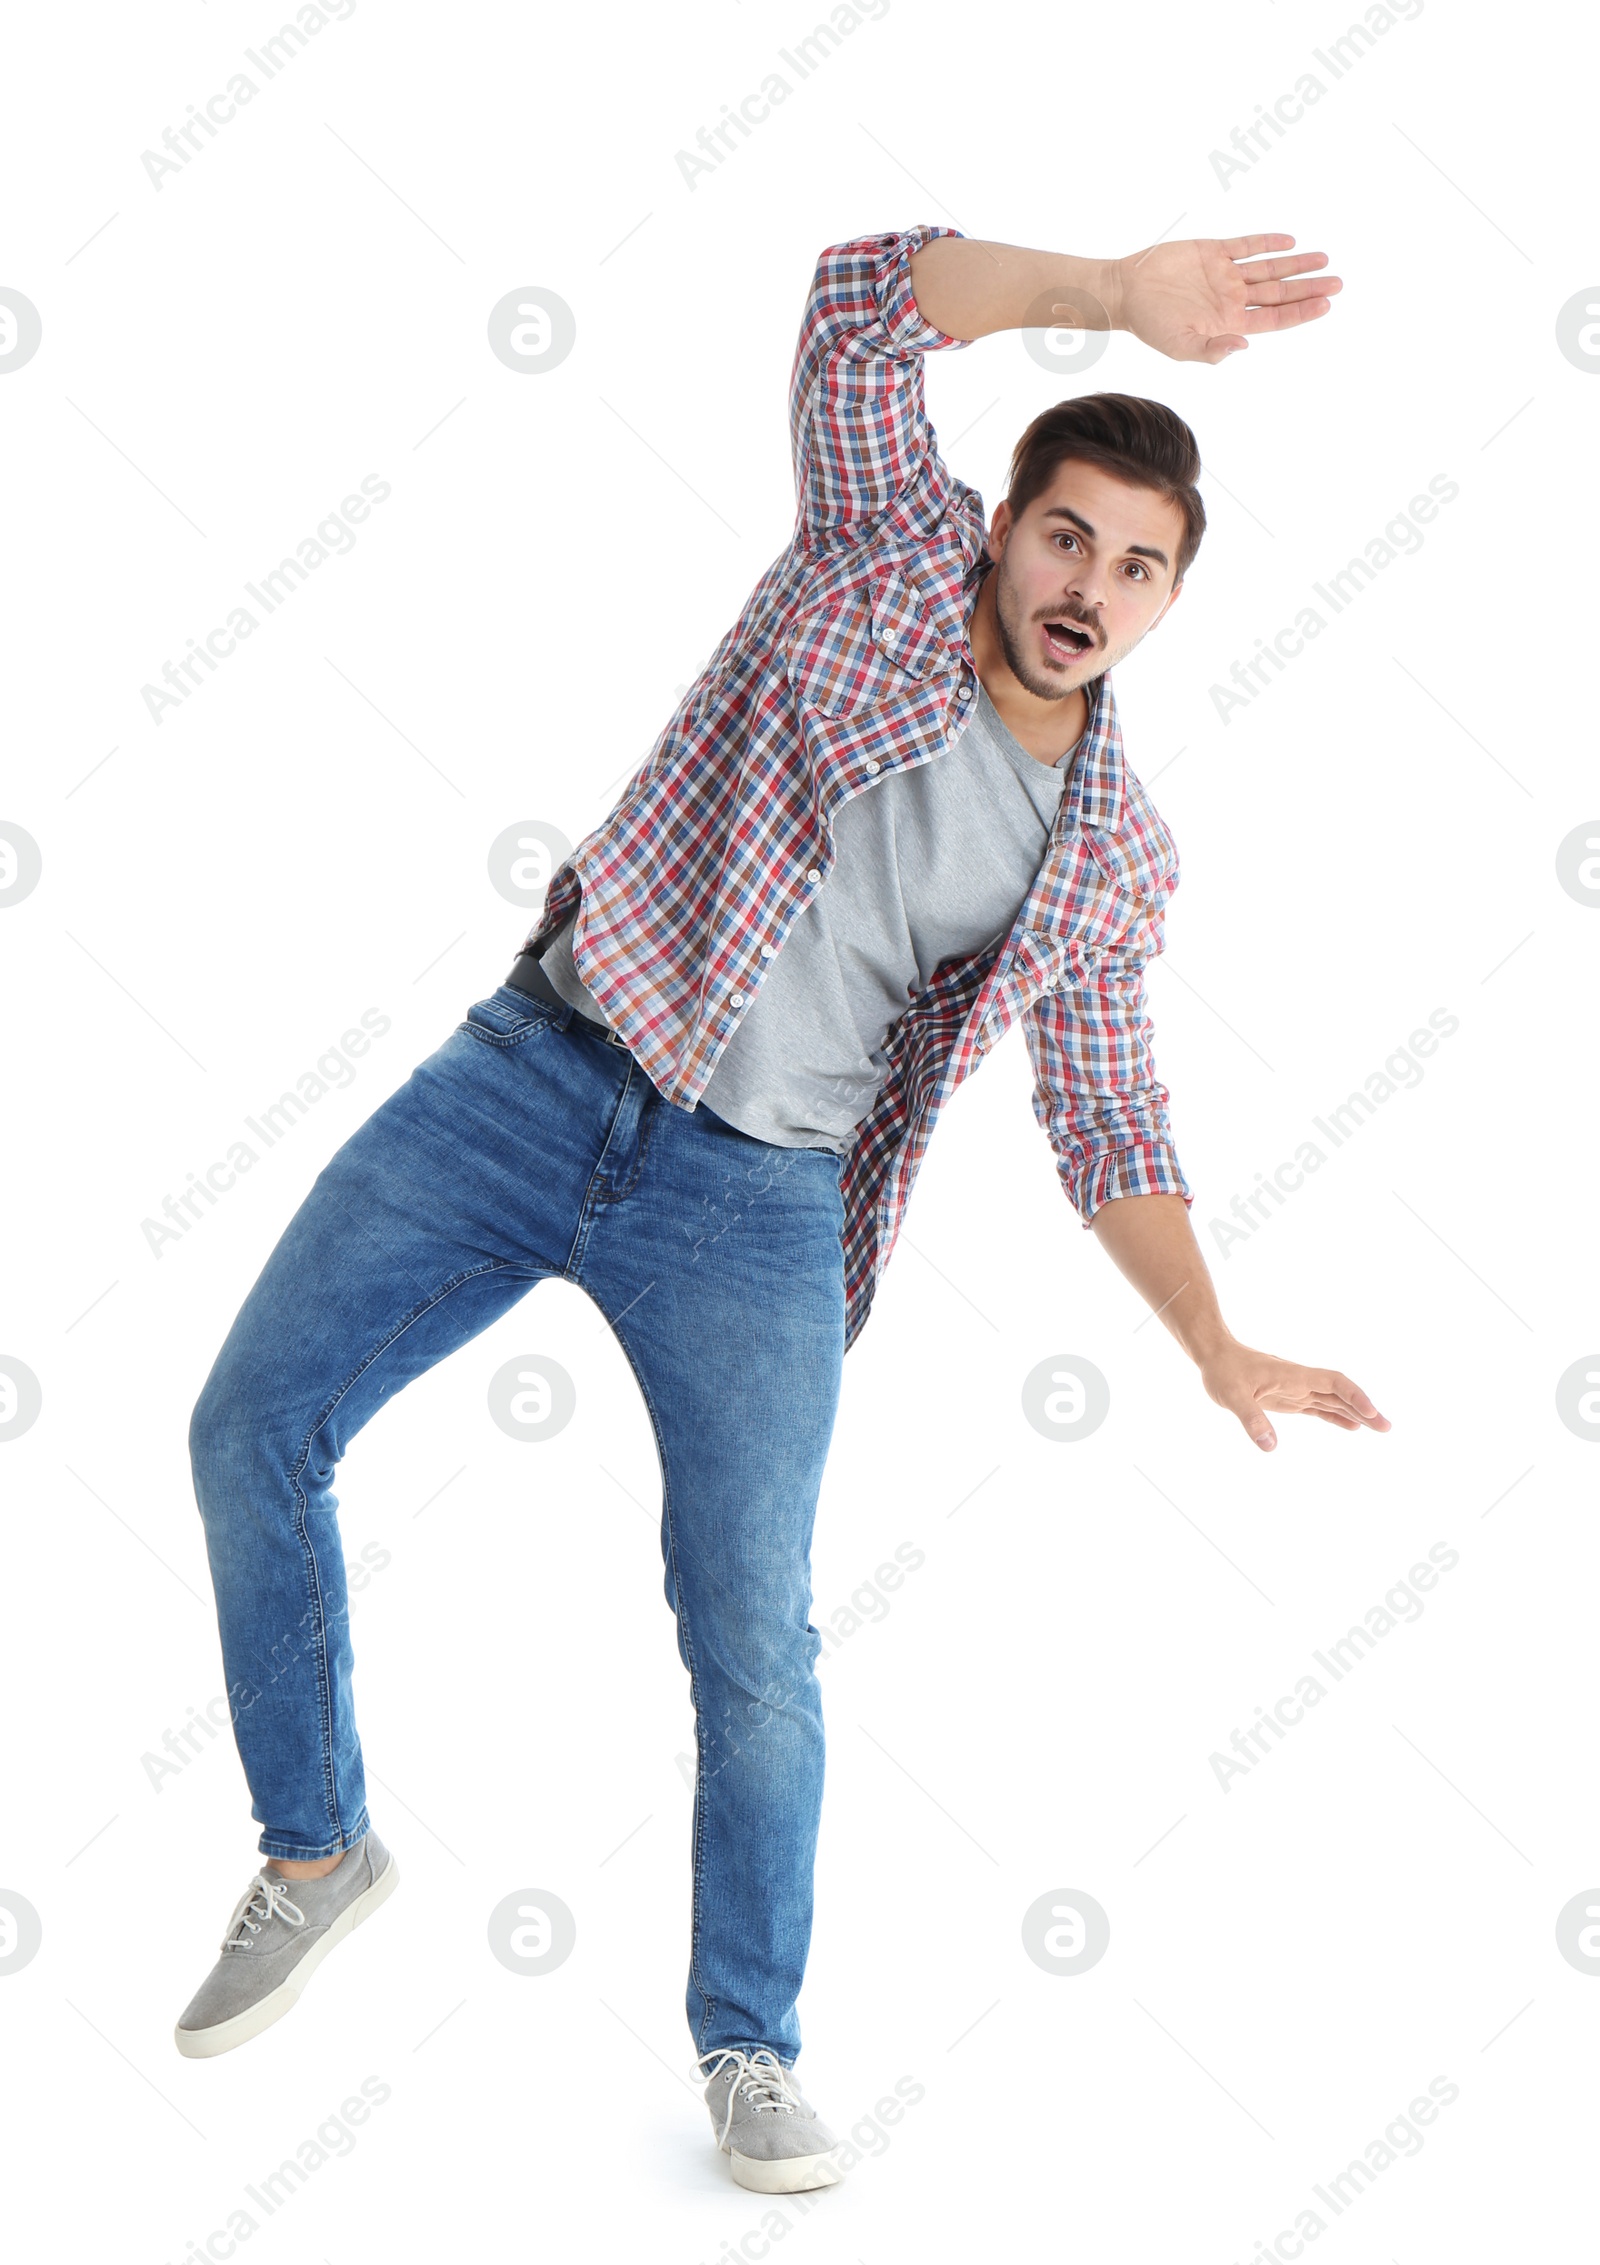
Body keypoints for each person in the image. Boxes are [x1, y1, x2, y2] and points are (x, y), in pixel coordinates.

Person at [176, 222, 1389, 2194]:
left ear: (1172, 601)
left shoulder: (1109, 857)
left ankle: (748, 2042)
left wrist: (1211, 1332)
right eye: (1066, 536)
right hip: (538, 1069)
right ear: (1004, 527)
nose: (1088, 586)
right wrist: (1110, 283)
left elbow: (1104, 1109)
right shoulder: (877, 561)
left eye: (1136, 565)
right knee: (251, 1420)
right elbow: (854, 301)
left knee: (750, 1644)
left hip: (754, 1204)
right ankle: (317, 1846)